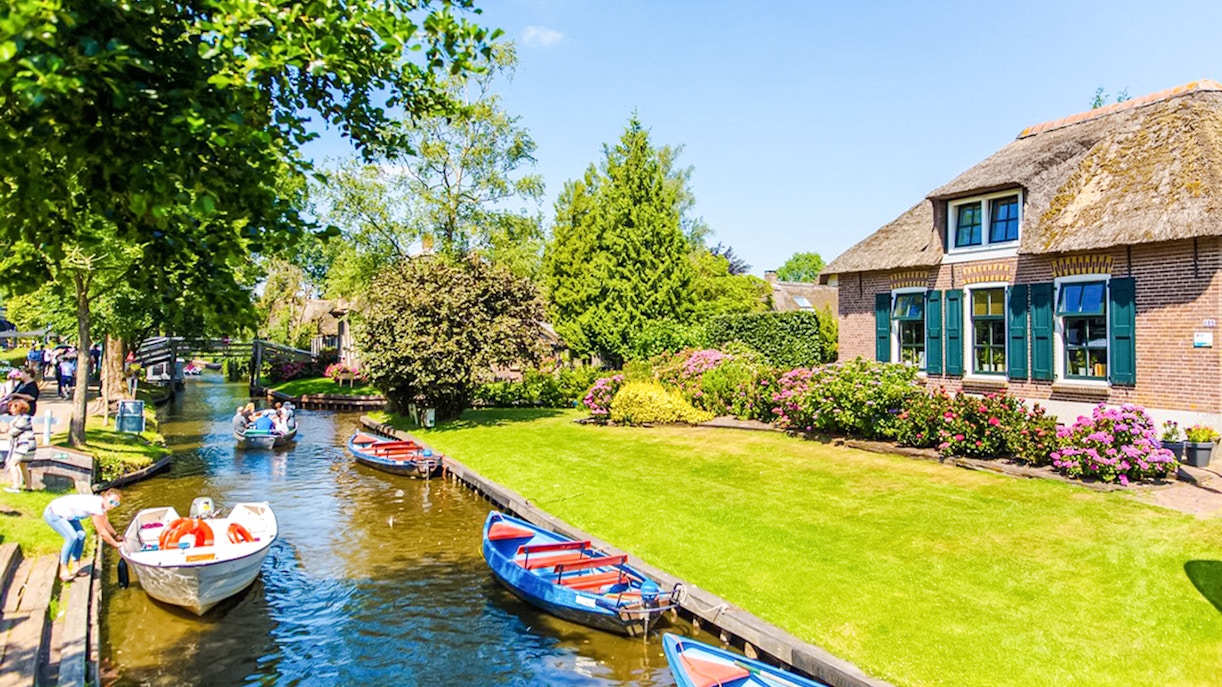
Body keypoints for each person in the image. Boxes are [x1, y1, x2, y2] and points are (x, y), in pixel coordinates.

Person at [44, 489, 123, 582]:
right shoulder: (96, 506)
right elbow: (101, 531)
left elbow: (105, 522)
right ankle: (63, 569)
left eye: (116, 504)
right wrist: (115, 544)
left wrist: (116, 535)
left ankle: (76, 567)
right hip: (54, 513)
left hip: (69, 515)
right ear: (105, 497)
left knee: (81, 535)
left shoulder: (103, 506)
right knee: (71, 537)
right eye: (112, 502)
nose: (112, 505)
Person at [3, 399, 35, 492]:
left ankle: (16, 486)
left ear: (19, 408)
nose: (11, 410)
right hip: (27, 445)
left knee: (12, 463)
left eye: (12, 408)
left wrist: (9, 430)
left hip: (25, 445)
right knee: (23, 465)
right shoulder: (20, 418)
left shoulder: (24, 419)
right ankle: (28, 487)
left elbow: (14, 431)